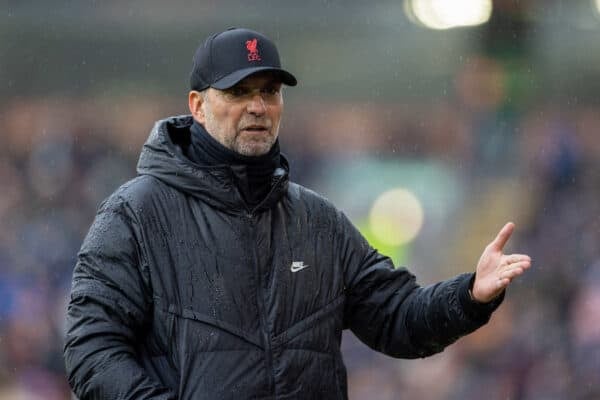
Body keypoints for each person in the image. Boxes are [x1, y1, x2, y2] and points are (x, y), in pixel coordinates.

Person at [63, 27, 531, 399]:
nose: (258, 107)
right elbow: (92, 350)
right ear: (198, 106)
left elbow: (398, 319)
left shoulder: (318, 221)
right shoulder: (136, 213)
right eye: (238, 92)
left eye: (269, 91)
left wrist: (470, 295)